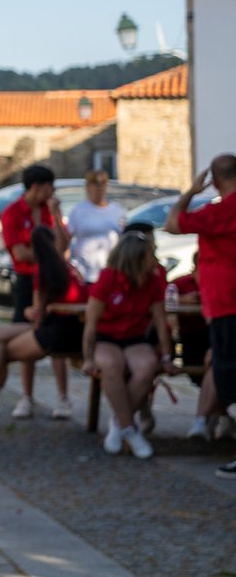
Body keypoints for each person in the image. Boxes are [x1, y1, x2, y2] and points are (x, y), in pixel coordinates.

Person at [165, 153, 236, 478]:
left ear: (215, 180)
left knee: (228, 374)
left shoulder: (220, 211)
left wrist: (192, 191)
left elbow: (173, 223)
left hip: (226, 303)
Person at [0, 227, 87, 417]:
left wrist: (27, 312)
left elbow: (37, 314)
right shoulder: (68, 267)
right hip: (69, 327)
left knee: (1, 349)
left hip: (56, 332)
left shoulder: (42, 269)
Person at [81, 230, 172, 459]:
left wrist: (167, 356)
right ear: (136, 258)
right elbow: (91, 324)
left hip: (135, 337)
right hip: (106, 337)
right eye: (150, 255)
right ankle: (130, 429)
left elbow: (161, 321)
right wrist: (88, 358)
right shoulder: (108, 278)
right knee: (112, 365)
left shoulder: (153, 282)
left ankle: (119, 421)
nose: (155, 260)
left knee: (147, 366)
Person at [0, 164, 72, 419]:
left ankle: (63, 397)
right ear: (37, 187)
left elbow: (63, 245)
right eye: (49, 187)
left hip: (52, 279)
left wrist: (56, 215)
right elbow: (20, 253)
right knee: (26, 335)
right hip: (27, 280)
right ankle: (26, 396)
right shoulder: (12, 213)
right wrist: (49, 253)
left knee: (57, 334)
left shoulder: (48, 211)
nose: (52, 192)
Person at [67, 169, 125, 282]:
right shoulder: (78, 210)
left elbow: (124, 241)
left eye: (103, 183)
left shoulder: (117, 210)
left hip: (110, 274)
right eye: (95, 183)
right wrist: (71, 267)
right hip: (84, 275)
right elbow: (67, 241)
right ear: (88, 187)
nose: (99, 187)